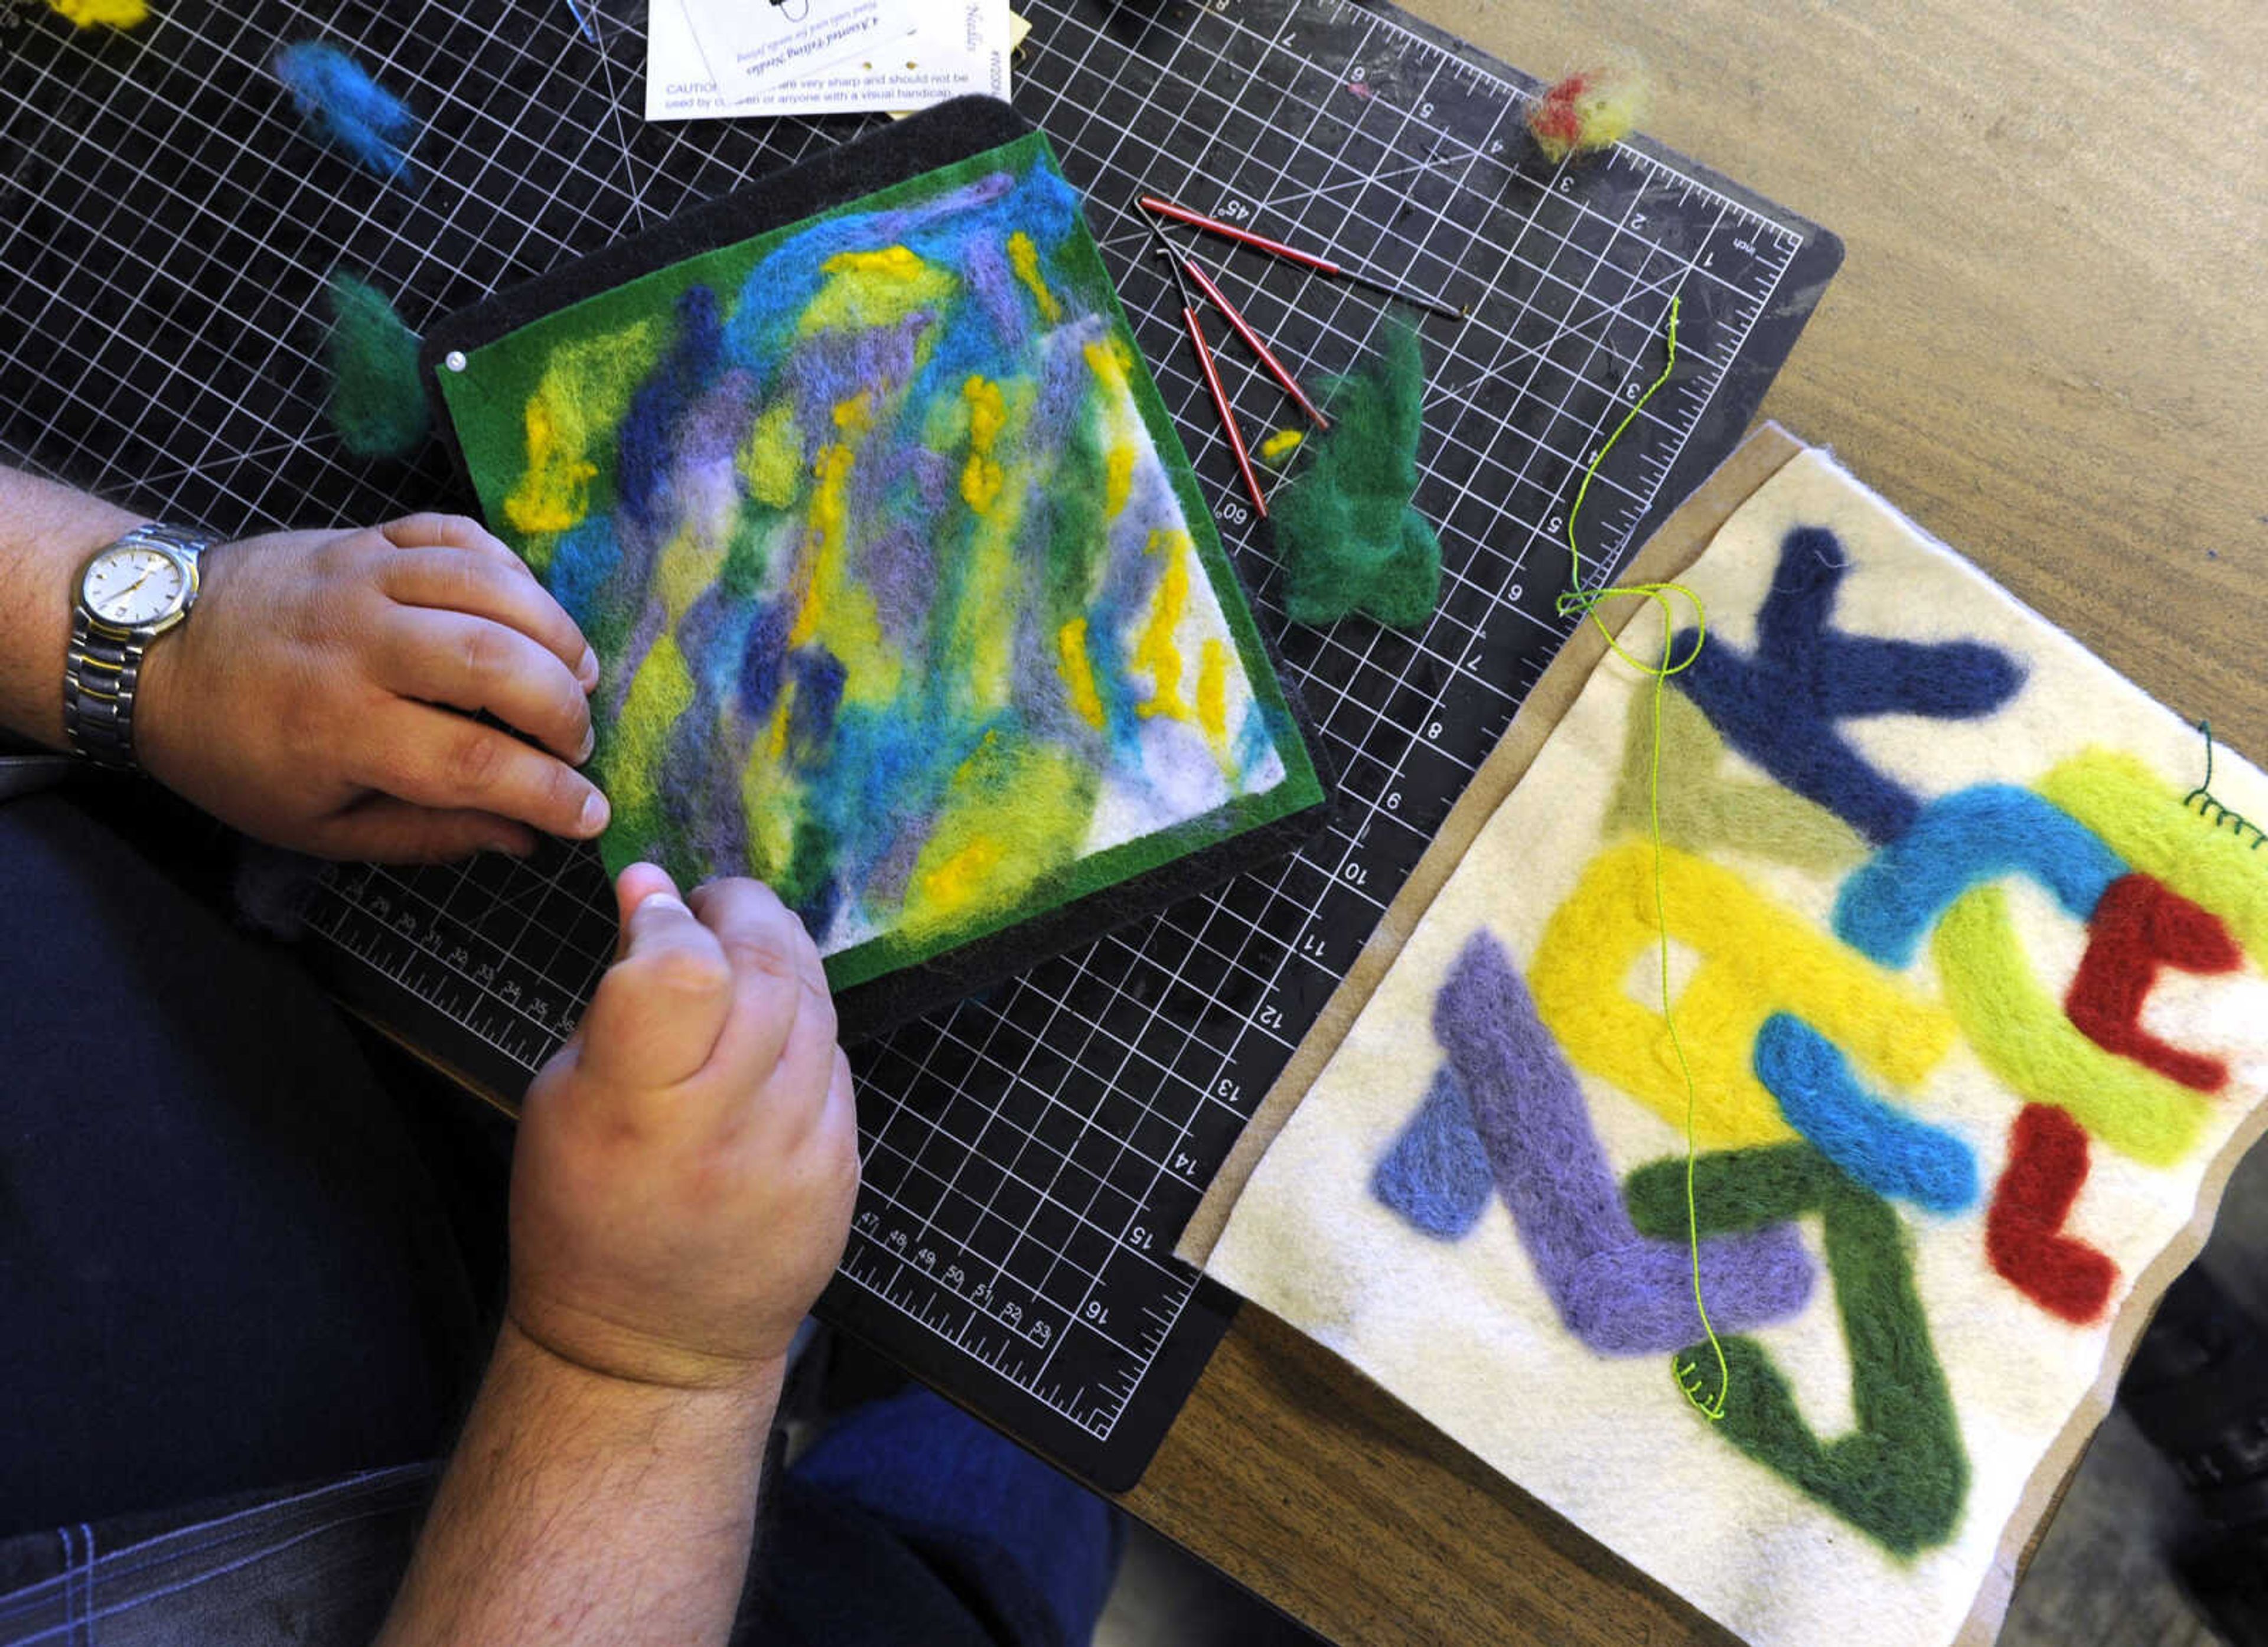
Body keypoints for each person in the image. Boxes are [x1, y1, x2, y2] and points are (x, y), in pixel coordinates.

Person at [0, 465, 1121, 1645]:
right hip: (563, 1477)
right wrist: (632, 1364)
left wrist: (125, 628)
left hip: (267, 1019)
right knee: (1004, 1488)